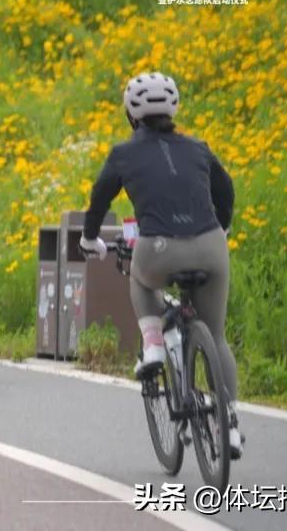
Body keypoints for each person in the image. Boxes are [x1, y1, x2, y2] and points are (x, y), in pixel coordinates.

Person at [79, 72, 242, 458]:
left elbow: (99, 199)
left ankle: (152, 344)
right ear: (174, 109)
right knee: (216, 336)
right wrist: (222, 226)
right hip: (211, 246)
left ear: (130, 114)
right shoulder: (199, 148)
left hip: (158, 249)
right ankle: (230, 424)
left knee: (139, 277)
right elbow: (226, 191)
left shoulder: (122, 153)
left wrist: (89, 238)